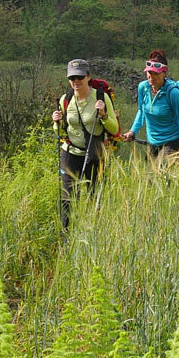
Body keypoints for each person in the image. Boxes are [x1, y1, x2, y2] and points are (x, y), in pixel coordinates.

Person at [52, 59, 122, 231]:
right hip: (70, 153)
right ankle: (66, 239)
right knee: (68, 199)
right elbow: (61, 133)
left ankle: (95, 234)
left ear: (88, 77)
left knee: (95, 198)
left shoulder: (100, 97)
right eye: (72, 77)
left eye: (80, 77)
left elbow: (114, 128)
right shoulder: (65, 99)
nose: (76, 81)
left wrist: (104, 115)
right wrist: (56, 123)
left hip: (95, 153)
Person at [129, 50, 179, 158]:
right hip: (153, 143)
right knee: (149, 174)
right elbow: (141, 112)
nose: (152, 76)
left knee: (162, 170)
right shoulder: (143, 87)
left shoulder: (173, 93)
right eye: (150, 72)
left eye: (156, 73)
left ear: (164, 73)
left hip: (172, 142)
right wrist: (132, 131)